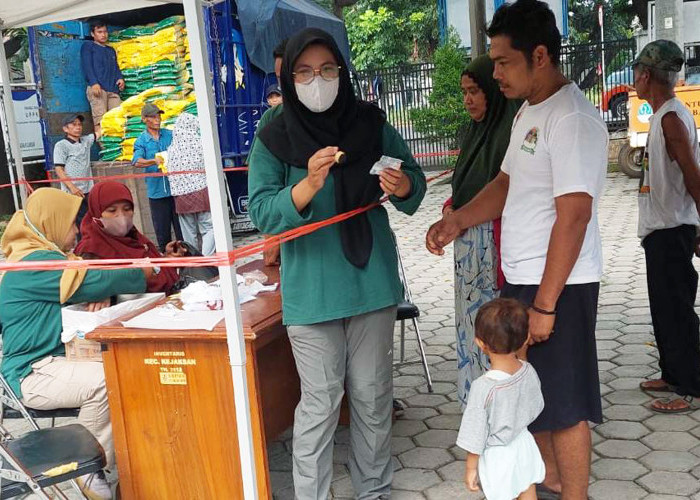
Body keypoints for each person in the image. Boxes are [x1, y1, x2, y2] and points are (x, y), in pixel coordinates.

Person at [426, 1, 608, 497]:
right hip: (524, 276)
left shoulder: (571, 118)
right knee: (535, 392)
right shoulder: (530, 110)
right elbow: (507, 182)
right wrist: (458, 219)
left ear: (541, 55)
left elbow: (574, 216)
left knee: (566, 403)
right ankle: (547, 478)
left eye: (504, 61)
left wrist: (546, 304)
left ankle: (575, 493)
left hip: (560, 284)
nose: (496, 72)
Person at [248, 28, 426, 499]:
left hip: (370, 281)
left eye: (328, 69)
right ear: (290, 79)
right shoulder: (273, 137)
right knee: (321, 401)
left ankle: (374, 489)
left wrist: (403, 185)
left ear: (342, 73)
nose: (318, 80)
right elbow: (262, 211)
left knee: (371, 396)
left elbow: (414, 179)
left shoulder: (369, 122)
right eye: (305, 72)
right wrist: (306, 185)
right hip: (312, 286)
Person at [0, 188, 150, 500]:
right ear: (49, 223)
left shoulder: (46, 259)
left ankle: (137, 465)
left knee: (131, 369)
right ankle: (86, 469)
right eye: (69, 224)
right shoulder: (34, 264)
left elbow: (86, 281)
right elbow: (95, 279)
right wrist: (141, 273)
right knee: (107, 380)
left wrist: (97, 291)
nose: (75, 231)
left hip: (55, 362)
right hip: (31, 374)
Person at [431, 55, 521, 407]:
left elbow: (502, 189)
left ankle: (499, 405)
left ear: (493, 95)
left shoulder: (508, 132)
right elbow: (466, 184)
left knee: (494, 327)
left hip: (493, 248)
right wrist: (450, 211)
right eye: (464, 92)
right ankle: (475, 403)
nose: (468, 99)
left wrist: (461, 217)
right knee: (471, 328)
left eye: (475, 91)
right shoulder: (476, 134)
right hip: (467, 250)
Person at [633, 40, 700, 413]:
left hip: (673, 229)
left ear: (646, 76)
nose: (635, 81)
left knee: (677, 311)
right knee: (663, 309)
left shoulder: (672, 118)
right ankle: (671, 373)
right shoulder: (662, 115)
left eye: (637, 74)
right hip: (661, 229)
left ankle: (691, 388)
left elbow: (693, 176)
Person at [457, 298, 545, 500]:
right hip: (524, 443)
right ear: (525, 340)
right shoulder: (527, 370)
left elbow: (475, 432)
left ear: (480, 343)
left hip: (499, 454)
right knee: (527, 487)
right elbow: (536, 404)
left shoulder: (483, 387)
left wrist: (471, 467)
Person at [75, 181, 180, 294]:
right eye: (112, 210)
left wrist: (167, 259)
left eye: (127, 209)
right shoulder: (90, 250)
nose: (121, 216)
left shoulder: (137, 239)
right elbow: (96, 288)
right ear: (96, 212)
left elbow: (158, 273)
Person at [250, 38, 288, 266]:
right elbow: (262, 203)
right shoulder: (272, 121)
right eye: (280, 79)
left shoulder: (357, 119)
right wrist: (272, 236)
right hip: (289, 239)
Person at [132, 103, 183, 251]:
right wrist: (153, 161)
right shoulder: (141, 140)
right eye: (153, 117)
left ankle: (187, 264)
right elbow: (136, 161)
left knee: (182, 232)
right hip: (157, 194)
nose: (157, 119)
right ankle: (168, 267)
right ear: (144, 119)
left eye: (159, 116)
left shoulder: (169, 134)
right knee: (163, 233)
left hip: (176, 190)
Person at [166, 113, 215, 256]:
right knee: (209, 227)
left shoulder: (172, 148)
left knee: (188, 232)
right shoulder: (200, 143)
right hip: (200, 191)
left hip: (181, 197)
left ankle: (194, 261)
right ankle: (206, 258)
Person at [81, 19, 124, 138]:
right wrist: (94, 83)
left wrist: (120, 78)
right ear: (92, 34)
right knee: (100, 121)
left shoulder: (110, 50)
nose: (103, 34)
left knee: (117, 121)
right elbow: (87, 65)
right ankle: (105, 152)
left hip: (113, 90)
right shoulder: (88, 46)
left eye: (105, 31)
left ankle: (115, 150)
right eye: (99, 32)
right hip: (98, 90)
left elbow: (115, 66)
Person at [53, 114, 95, 233]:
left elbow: (100, 132)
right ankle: (82, 250)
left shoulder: (86, 141)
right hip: (72, 192)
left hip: (87, 190)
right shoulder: (61, 146)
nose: (78, 127)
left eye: (79, 124)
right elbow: (59, 169)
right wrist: (72, 187)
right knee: (80, 224)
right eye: (74, 124)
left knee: (90, 222)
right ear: (65, 129)